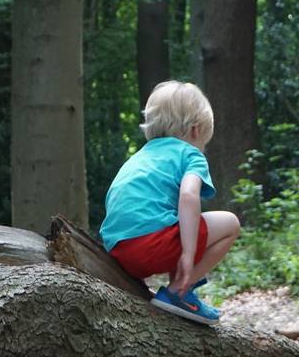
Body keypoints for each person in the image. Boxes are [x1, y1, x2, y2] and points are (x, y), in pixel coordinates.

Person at [100, 81, 240, 324]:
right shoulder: (190, 154)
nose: (202, 148)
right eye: (204, 142)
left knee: (179, 222)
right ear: (196, 131)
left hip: (117, 251)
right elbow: (188, 196)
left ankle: (179, 291)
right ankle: (180, 291)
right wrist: (188, 252)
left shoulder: (140, 157)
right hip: (151, 246)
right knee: (230, 224)